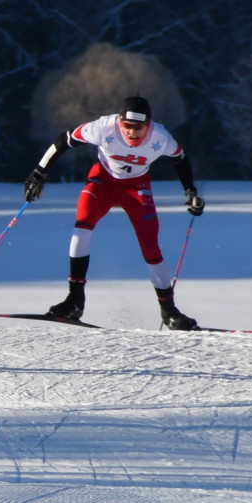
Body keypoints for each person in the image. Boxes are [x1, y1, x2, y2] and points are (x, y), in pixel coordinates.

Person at [22, 94, 204, 330]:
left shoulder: (160, 138)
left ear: (148, 124)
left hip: (136, 188)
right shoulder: (103, 128)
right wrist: (39, 172)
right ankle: (74, 301)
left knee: (151, 248)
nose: (131, 132)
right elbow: (65, 140)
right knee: (81, 228)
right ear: (119, 121)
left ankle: (169, 311)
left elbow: (180, 159)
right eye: (127, 126)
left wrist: (190, 192)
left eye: (138, 127)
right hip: (102, 183)